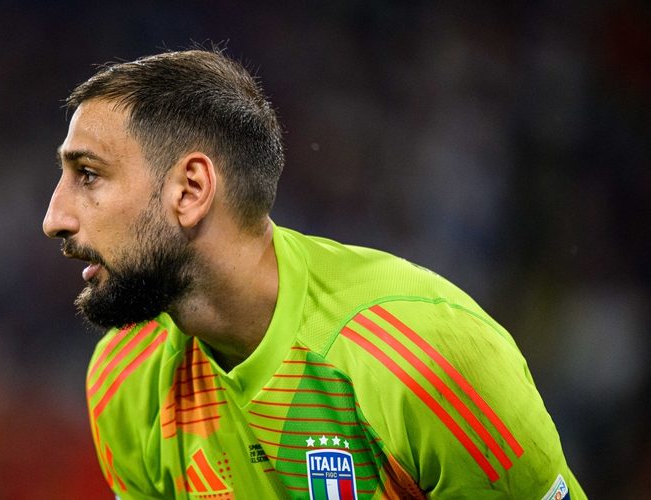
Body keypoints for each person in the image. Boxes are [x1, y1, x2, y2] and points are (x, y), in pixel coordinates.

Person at [42, 48, 585, 499]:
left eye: (88, 174)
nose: (53, 218)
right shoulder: (125, 379)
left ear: (190, 190)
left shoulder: (427, 360)